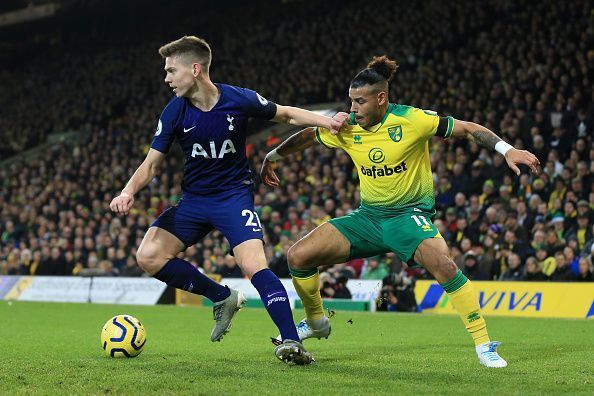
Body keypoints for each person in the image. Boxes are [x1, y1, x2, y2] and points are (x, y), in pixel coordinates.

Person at [262, 55, 540, 368]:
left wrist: (507, 150)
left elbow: (467, 129)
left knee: (445, 267)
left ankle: (484, 345)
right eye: (351, 101)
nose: (353, 109)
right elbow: (310, 135)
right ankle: (316, 321)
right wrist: (272, 156)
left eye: (360, 102)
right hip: (367, 219)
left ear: (381, 98)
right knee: (297, 256)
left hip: (407, 216)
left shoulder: (412, 120)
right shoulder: (348, 127)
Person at [109, 36, 344, 365]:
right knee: (149, 256)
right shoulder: (174, 111)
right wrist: (128, 192)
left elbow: (287, 114)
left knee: (253, 265)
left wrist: (328, 120)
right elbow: (151, 164)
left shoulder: (237, 99)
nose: (166, 78)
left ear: (195, 69)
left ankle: (292, 341)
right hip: (194, 201)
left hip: (233, 198)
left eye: (171, 70)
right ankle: (222, 297)